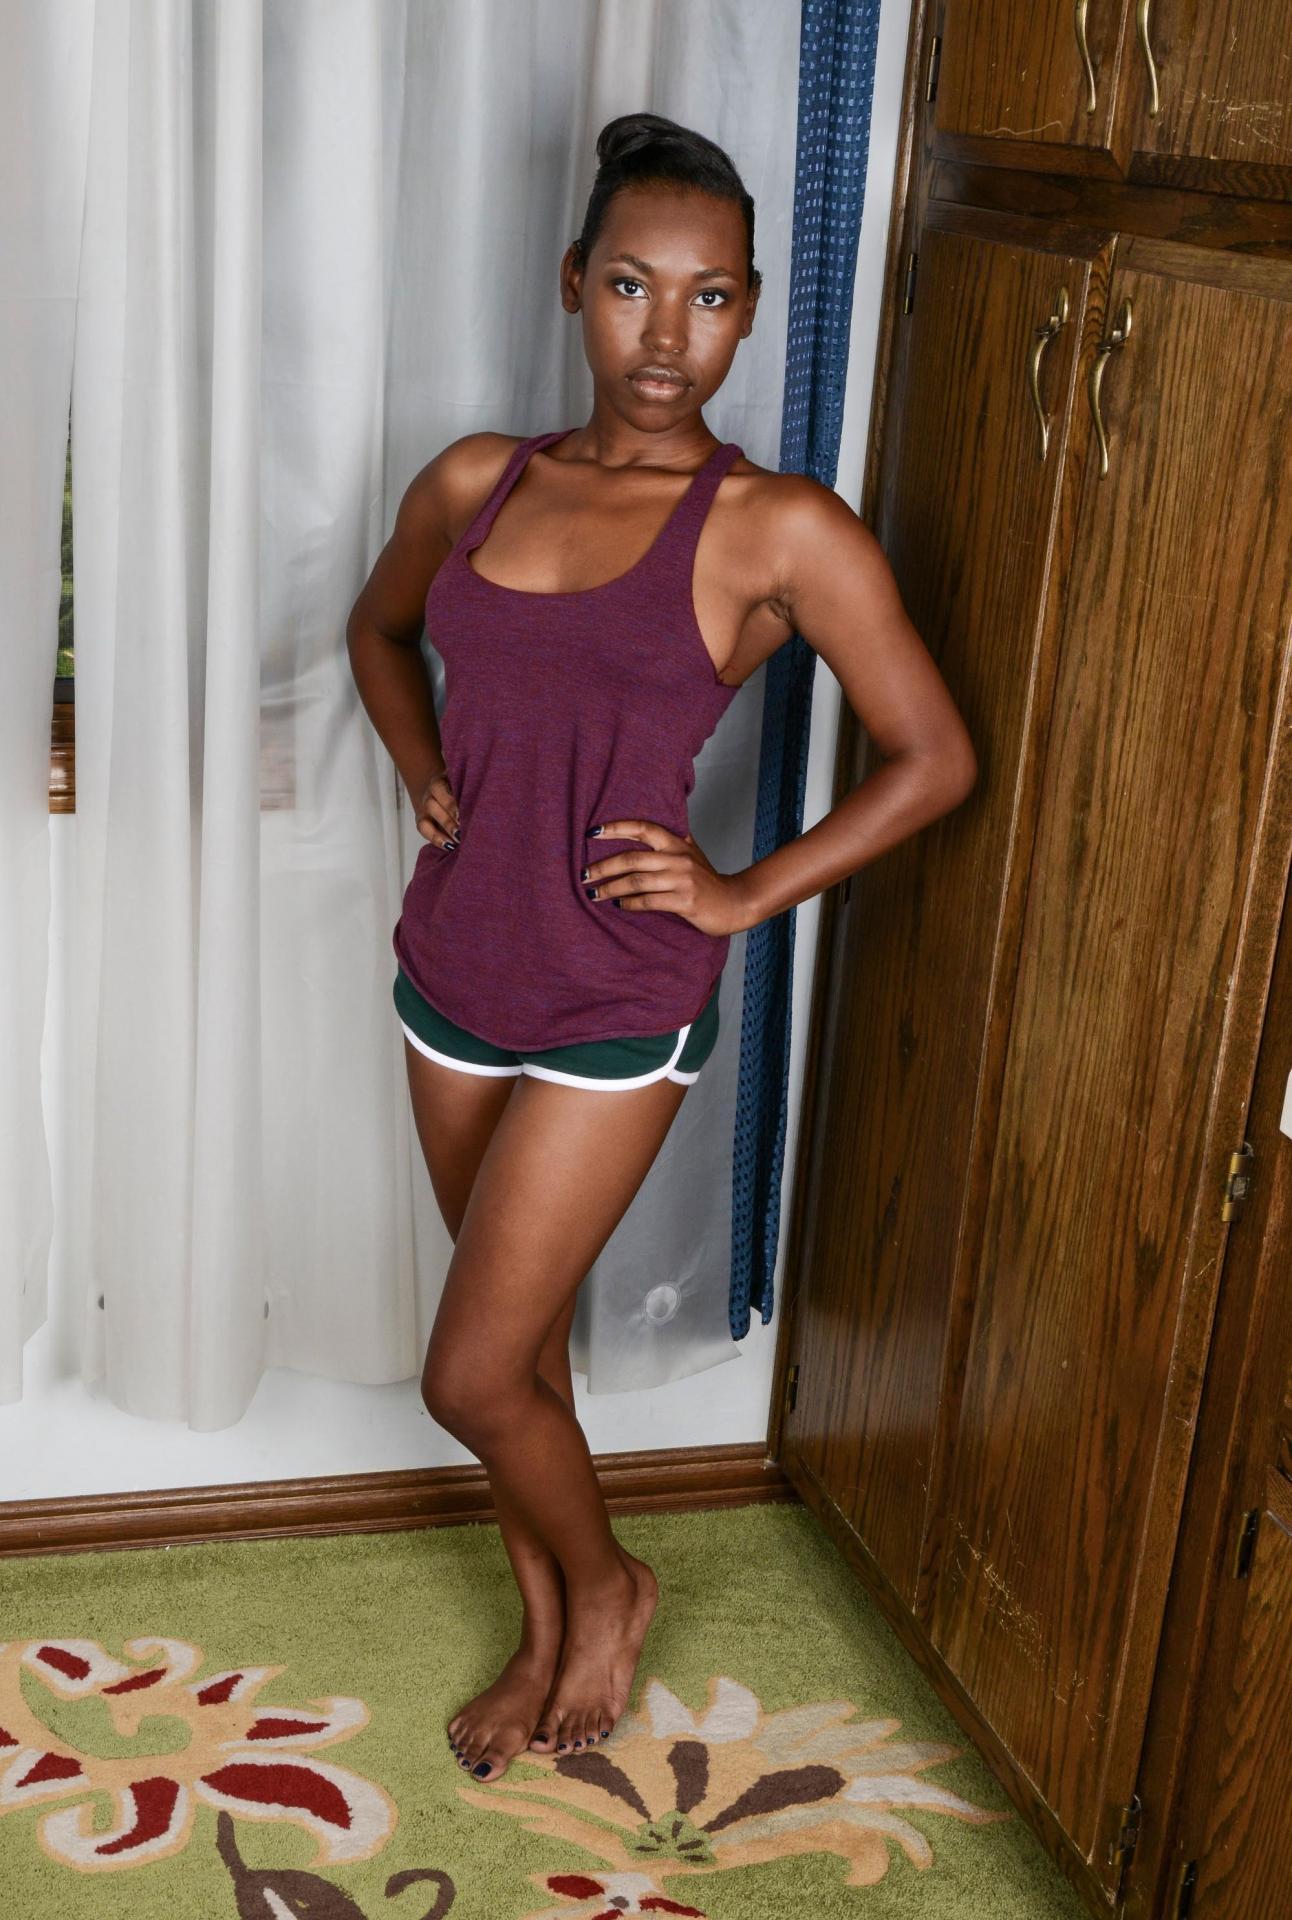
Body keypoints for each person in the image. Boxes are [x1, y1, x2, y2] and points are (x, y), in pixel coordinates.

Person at [345, 111, 976, 1786]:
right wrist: (419, 764)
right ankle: (543, 1624)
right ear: (576, 283)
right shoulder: (477, 479)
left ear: (750, 311)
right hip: (452, 971)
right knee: (522, 1354)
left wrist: (742, 893)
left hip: (615, 999)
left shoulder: (778, 529)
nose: (666, 333)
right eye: (633, 285)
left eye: (710, 297)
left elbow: (935, 756)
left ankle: (613, 1584)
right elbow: (379, 629)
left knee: (467, 1373)